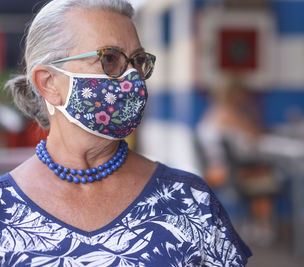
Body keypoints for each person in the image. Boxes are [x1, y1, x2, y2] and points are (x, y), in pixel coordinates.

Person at [0, 1, 252, 266]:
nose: (134, 78)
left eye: (138, 61)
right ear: (49, 83)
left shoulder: (190, 201)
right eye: (109, 58)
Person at [196, 76, 278, 245]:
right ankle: (263, 228)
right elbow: (257, 134)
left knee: (259, 170)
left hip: (213, 169)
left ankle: (255, 224)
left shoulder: (213, 111)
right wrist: (254, 111)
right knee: (263, 175)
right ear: (236, 95)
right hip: (225, 171)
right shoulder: (229, 114)